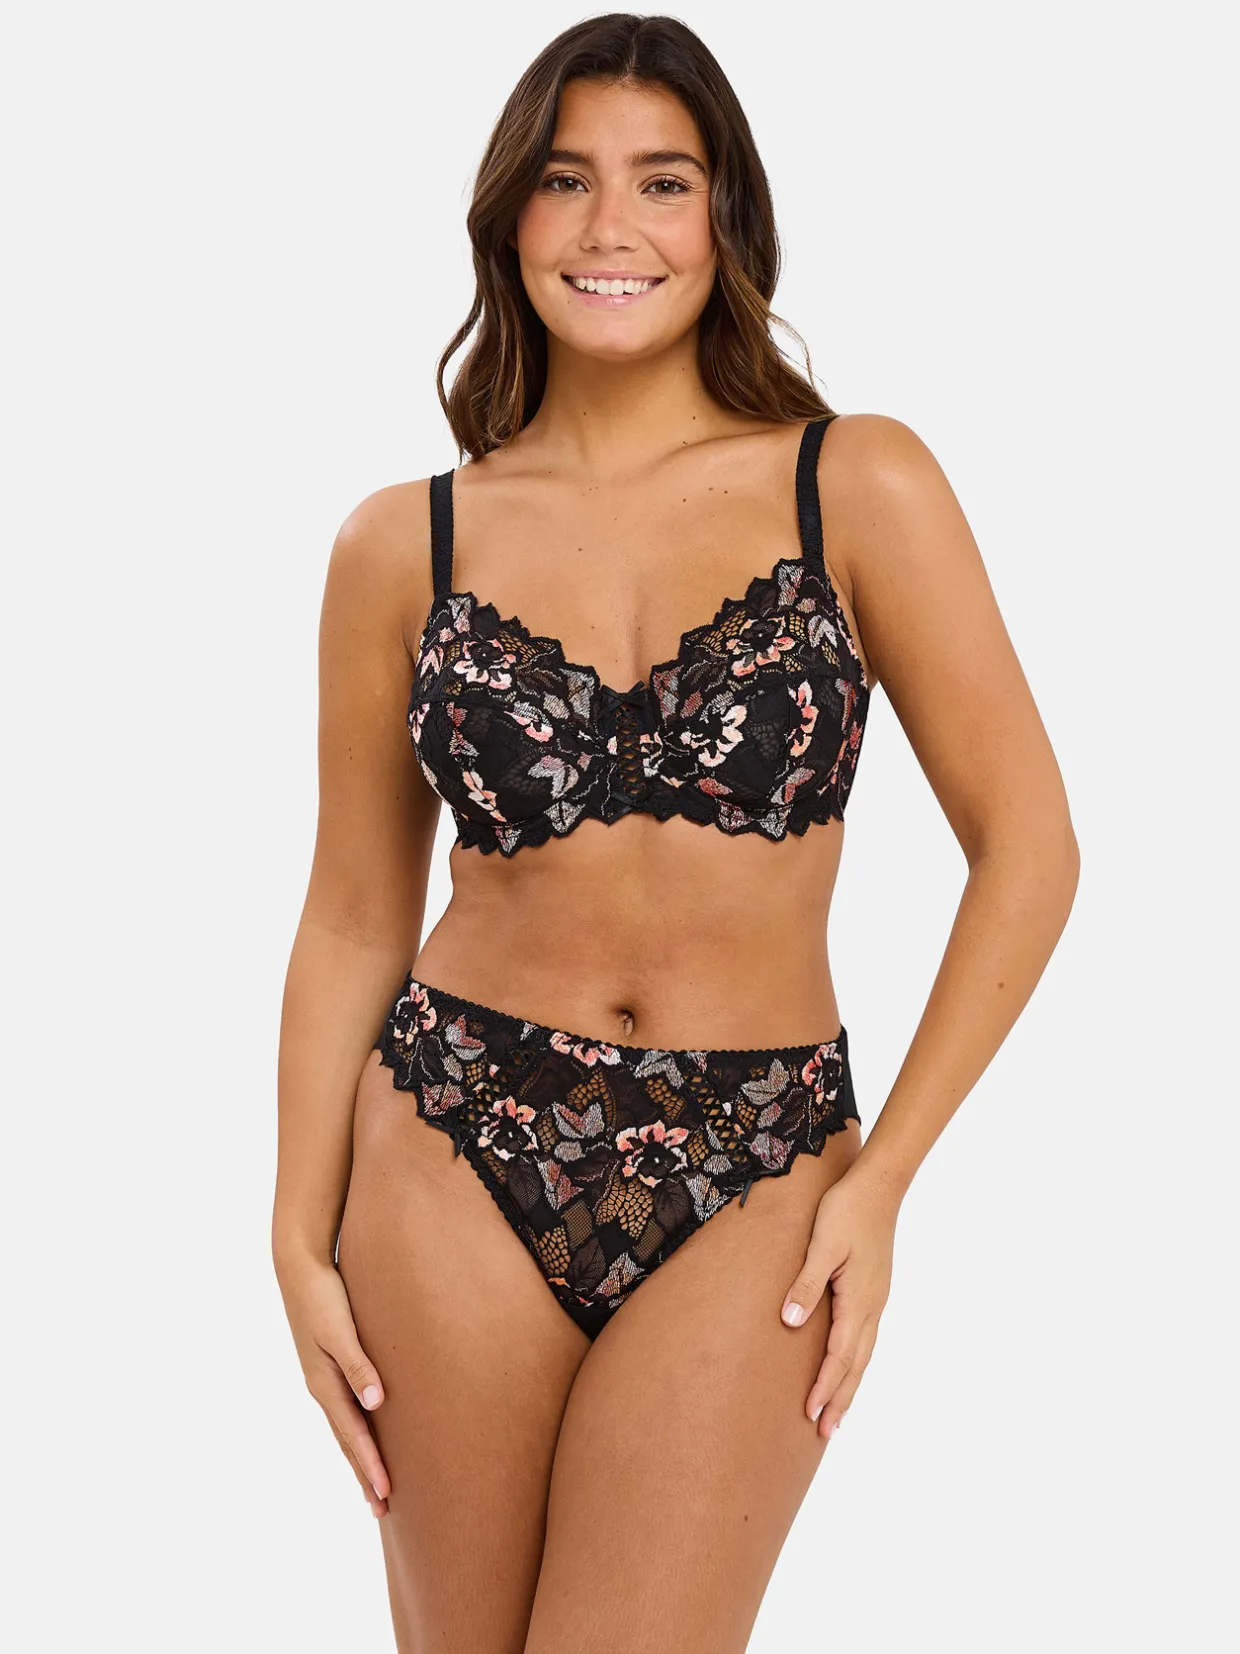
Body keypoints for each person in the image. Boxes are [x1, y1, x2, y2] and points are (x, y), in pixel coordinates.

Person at [272, 15, 1079, 1652]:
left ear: (727, 218)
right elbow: (353, 911)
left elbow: (1030, 847)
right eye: (566, 179)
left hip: (760, 1161)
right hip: (451, 1143)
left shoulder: (857, 483)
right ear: (512, 215)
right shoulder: (402, 545)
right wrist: (295, 1225)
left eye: (662, 181)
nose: (611, 226)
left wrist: (884, 1180)